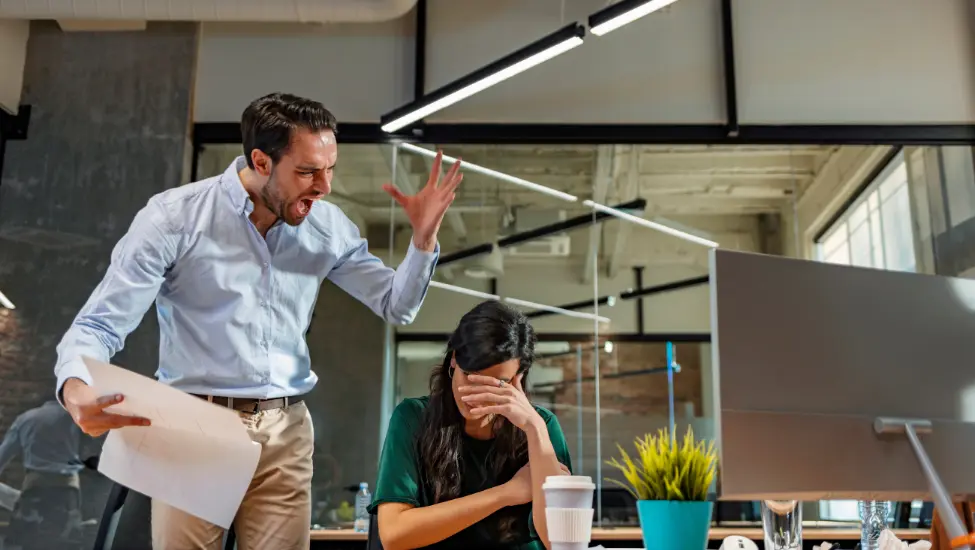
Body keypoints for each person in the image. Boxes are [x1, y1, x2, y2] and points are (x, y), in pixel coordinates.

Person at [52, 92, 463, 550]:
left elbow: (395, 304)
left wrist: (423, 239)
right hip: (194, 422)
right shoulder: (175, 218)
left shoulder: (326, 227)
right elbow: (99, 326)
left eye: (330, 169)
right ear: (261, 161)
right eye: (307, 172)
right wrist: (76, 388)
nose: (324, 186)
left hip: (285, 427)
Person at [370, 301, 572, 550]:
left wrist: (534, 429)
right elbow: (394, 534)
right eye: (470, 377)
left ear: (518, 377)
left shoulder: (542, 427)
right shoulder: (413, 418)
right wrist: (506, 494)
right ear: (454, 359)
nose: (477, 395)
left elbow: (559, 541)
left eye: (497, 384)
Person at [0, 400, 85, 548]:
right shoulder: (77, 418)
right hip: (69, 490)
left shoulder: (26, 418)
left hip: (35, 486)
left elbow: (3, 455)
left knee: (22, 540)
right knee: (65, 543)